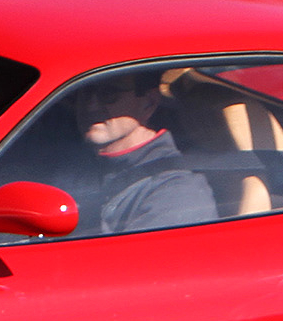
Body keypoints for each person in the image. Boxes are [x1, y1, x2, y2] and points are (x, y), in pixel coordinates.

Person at [64, 71, 214, 236]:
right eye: (83, 92)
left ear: (149, 103)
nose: (91, 105)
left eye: (109, 94)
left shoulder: (177, 191)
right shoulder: (75, 166)